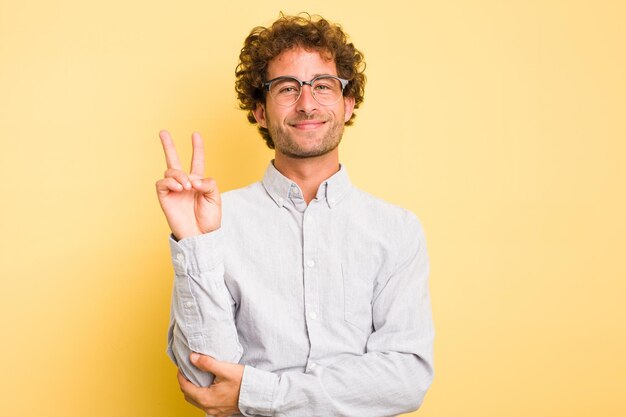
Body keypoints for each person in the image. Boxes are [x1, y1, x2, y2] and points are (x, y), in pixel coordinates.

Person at [156, 13, 434, 417]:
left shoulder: (397, 231)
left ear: (348, 102)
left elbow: (406, 379)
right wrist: (196, 246)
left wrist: (259, 394)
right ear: (260, 111)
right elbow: (206, 384)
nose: (307, 104)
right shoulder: (212, 221)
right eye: (287, 88)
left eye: (323, 86)